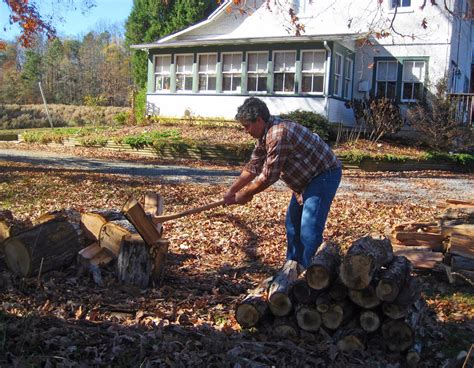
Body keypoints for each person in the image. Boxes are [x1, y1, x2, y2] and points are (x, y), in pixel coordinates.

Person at [223, 97, 342, 272]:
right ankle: (292, 269)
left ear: (259, 120)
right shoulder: (265, 135)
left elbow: (268, 176)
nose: (245, 131)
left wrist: (245, 194)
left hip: (323, 175)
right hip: (304, 181)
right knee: (292, 224)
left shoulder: (278, 134)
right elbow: (253, 166)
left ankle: (314, 274)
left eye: (247, 126)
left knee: (309, 228)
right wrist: (232, 191)